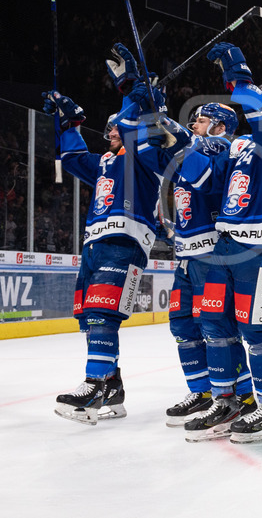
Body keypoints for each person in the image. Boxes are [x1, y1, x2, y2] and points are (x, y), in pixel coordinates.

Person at [176, 42, 262, 442]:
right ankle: (226, 400)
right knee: (215, 325)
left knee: (258, 330)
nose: (260, 97)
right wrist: (173, 137)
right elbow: (204, 172)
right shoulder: (243, 144)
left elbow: (254, 105)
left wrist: (238, 76)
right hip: (226, 247)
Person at [45, 44, 164, 425]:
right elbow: (75, 160)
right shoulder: (107, 162)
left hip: (125, 243)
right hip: (95, 246)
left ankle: (94, 384)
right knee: (89, 316)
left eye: (118, 124)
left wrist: (133, 88)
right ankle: (112, 386)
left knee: (101, 313)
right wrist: (70, 125)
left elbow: (144, 118)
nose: (112, 129)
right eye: (111, 124)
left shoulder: (145, 157)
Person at [164, 103, 256, 429]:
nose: (194, 125)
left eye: (201, 120)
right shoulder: (192, 150)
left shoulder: (225, 152)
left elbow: (207, 180)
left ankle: (241, 395)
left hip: (211, 254)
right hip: (186, 256)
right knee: (182, 326)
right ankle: (201, 392)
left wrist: (178, 137)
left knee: (218, 327)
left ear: (219, 126)